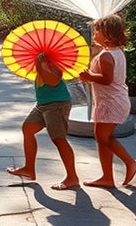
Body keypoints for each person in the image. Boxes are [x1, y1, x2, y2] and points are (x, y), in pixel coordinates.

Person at [78, 15, 136, 188]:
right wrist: (90, 77)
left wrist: (89, 76)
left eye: (97, 31)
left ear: (107, 34)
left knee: (102, 137)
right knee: (102, 137)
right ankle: (107, 177)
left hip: (111, 102)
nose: (94, 35)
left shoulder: (106, 55)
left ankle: (130, 163)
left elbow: (107, 79)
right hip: (111, 100)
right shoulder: (116, 52)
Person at [6, 53, 80, 190]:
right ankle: (29, 169)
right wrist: (39, 65)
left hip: (57, 104)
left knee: (59, 139)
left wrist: (44, 66)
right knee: (28, 129)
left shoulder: (54, 64)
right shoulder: (41, 62)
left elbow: (53, 81)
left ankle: (72, 177)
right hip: (42, 105)